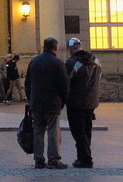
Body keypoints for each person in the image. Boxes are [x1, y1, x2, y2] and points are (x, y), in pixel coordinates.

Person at [26, 37, 70, 169]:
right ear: (55, 48)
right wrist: (63, 101)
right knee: (53, 131)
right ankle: (54, 159)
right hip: (52, 103)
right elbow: (65, 85)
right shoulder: (58, 63)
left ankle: (38, 159)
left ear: (44, 47)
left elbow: (27, 84)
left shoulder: (33, 62)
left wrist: (31, 99)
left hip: (36, 103)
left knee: (38, 131)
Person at [64, 38, 101, 168]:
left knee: (78, 131)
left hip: (76, 101)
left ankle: (85, 158)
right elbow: (98, 78)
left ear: (70, 50)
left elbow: (66, 81)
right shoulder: (95, 60)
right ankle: (83, 156)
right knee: (87, 129)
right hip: (91, 100)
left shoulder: (72, 63)